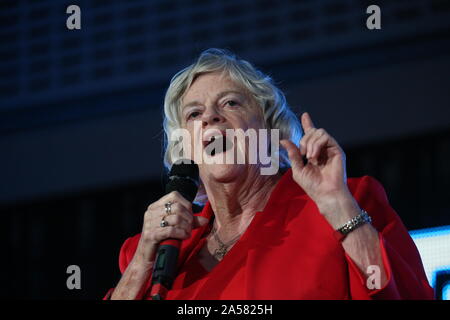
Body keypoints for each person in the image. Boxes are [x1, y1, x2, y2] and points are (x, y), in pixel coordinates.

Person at [105, 48, 433, 300]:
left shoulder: (346, 204)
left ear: (269, 128)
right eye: (194, 114)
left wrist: (339, 209)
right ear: (185, 147)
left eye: (231, 103)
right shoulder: (158, 250)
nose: (210, 118)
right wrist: (142, 263)